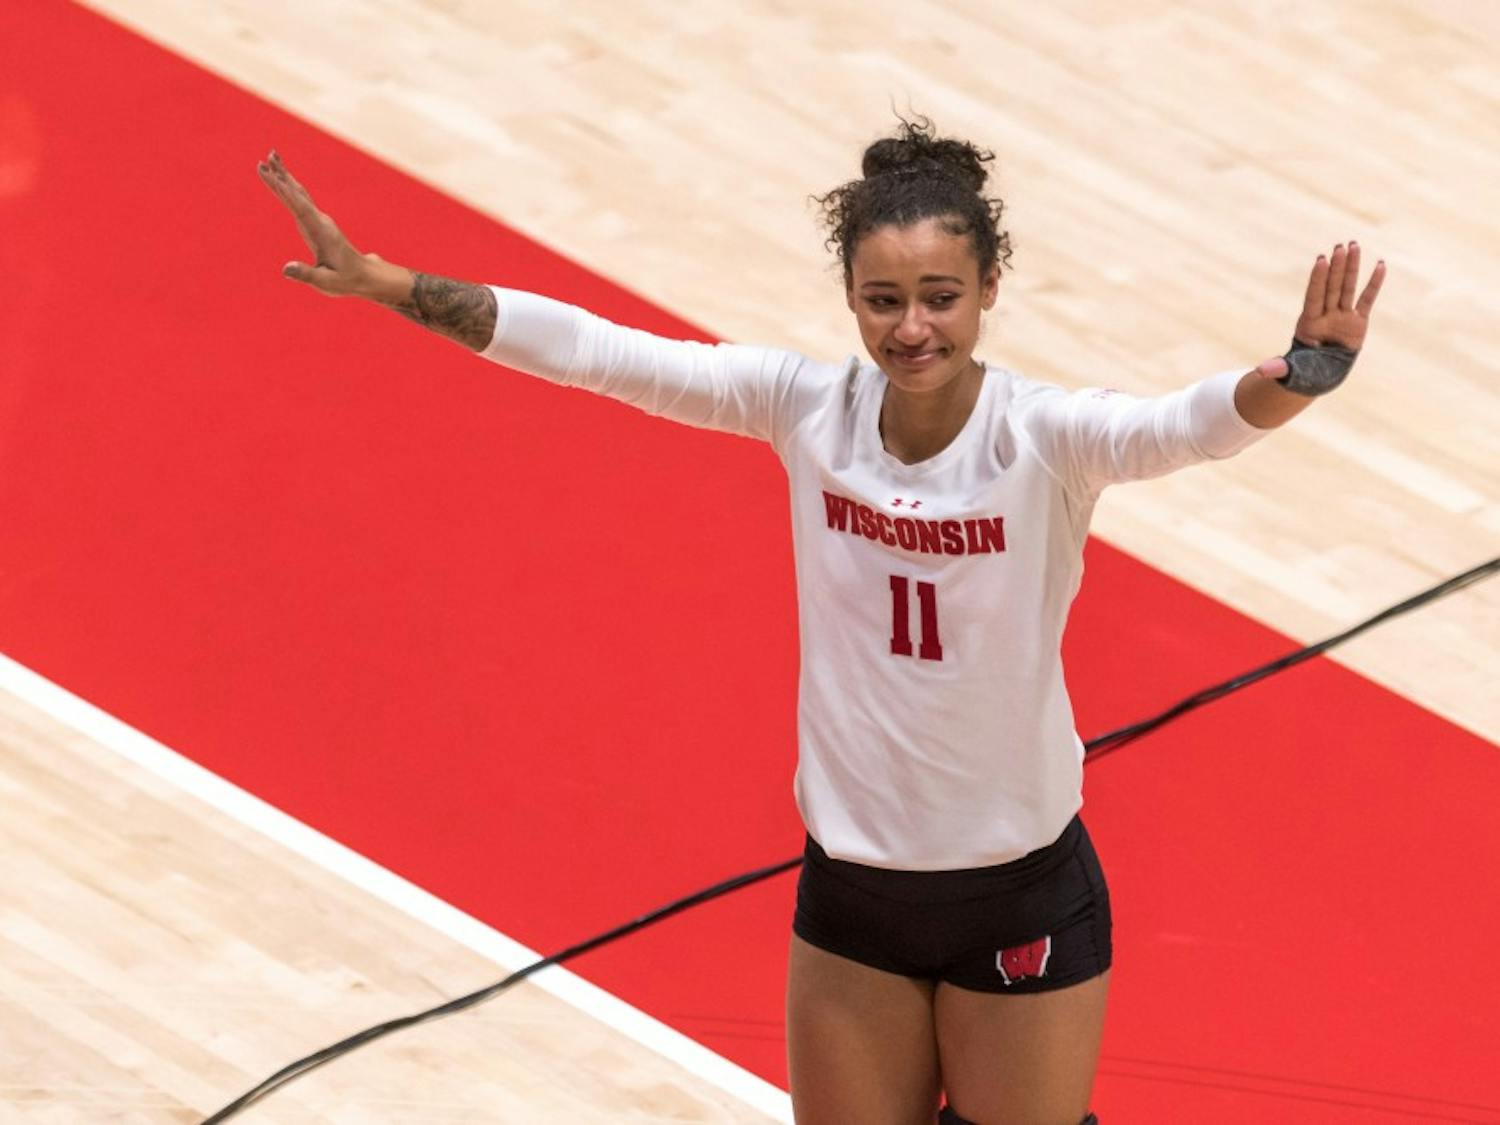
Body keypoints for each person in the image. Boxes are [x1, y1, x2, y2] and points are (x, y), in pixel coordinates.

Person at [257, 118, 1384, 1125]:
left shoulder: (1043, 438)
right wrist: (394, 284)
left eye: (940, 296)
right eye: (883, 300)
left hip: (1019, 887)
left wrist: (1297, 375)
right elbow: (603, 355)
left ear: (990, 291)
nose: (912, 328)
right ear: (850, 296)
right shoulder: (806, 410)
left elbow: (1186, 425)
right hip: (853, 897)